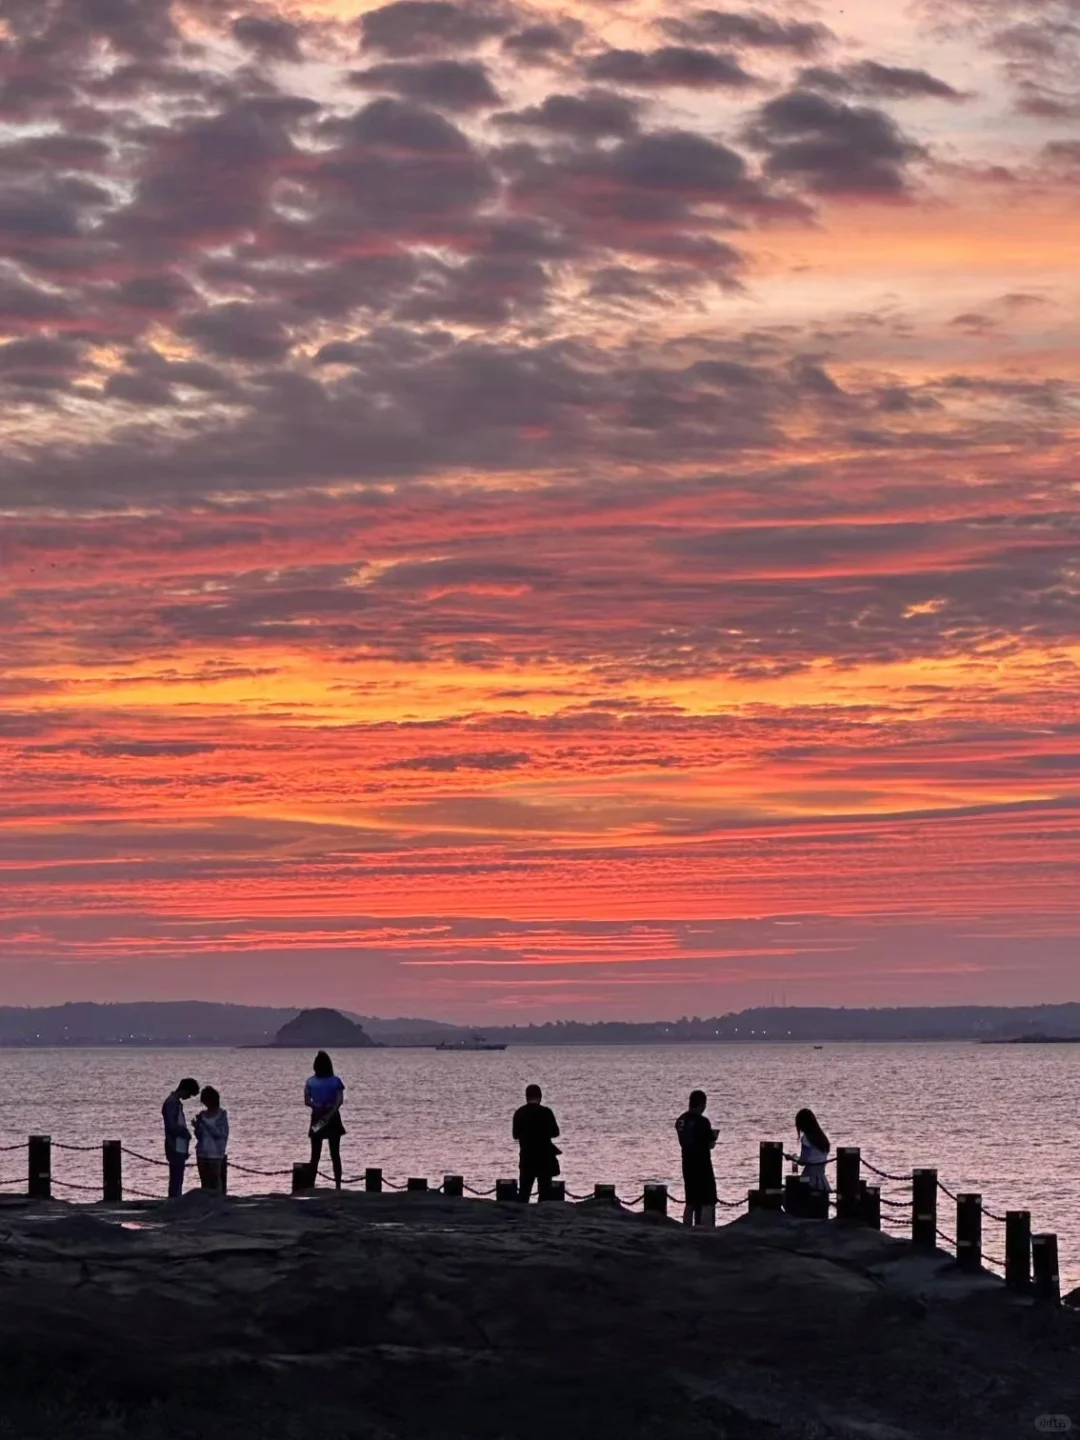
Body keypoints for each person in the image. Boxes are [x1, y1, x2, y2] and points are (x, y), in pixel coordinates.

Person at [675, 1089, 717, 1227]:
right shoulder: (703, 1122)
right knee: (708, 1199)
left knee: (690, 1200)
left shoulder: (680, 1121)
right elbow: (710, 1143)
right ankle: (705, 1229)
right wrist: (713, 1137)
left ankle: (686, 1227)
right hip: (702, 1165)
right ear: (702, 1103)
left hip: (687, 1164)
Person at [512, 1084, 560, 1202]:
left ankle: (521, 1216)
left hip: (527, 1157)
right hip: (544, 1157)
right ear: (540, 1097)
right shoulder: (546, 1112)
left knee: (524, 1191)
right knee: (545, 1192)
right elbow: (555, 1132)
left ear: (526, 1097)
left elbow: (515, 1135)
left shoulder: (519, 1113)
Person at [305, 1051, 345, 1189]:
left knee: (315, 1154)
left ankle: (310, 1185)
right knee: (335, 1153)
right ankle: (338, 1185)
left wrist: (317, 1106)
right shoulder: (336, 1081)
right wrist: (331, 1112)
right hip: (332, 1118)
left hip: (317, 1118)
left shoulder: (310, 1082)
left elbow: (307, 1101)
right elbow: (340, 1101)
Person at [788, 1107, 831, 1216]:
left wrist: (792, 1158)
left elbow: (803, 1161)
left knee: (789, 1194)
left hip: (808, 1180)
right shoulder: (823, 1139)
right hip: (822, 1180)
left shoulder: (806, 1139)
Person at [162, 1077, 200, 1199]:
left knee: (178, 1176)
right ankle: (174, 1200)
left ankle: (175, 1198)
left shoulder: (175, 1103)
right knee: (176, 1177)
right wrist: (185, 1133)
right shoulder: (171, 1103)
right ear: (184, 1090)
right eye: (189, 1094)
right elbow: (171, 1126)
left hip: (178, 1145)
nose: (189, 1097)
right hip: (174, 1145)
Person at [194, 1085, 229, 1192]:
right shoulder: (202, 1114)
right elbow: (199, 1135)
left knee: (215, 1178)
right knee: (205, 1181)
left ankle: (218, 1201)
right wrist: (197, 1127)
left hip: (216, 1152)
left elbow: (220, 1135)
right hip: (202, 1151)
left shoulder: (221, 1116)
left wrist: (205, 1124)